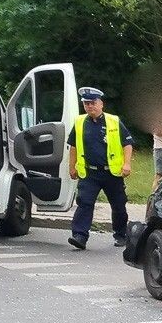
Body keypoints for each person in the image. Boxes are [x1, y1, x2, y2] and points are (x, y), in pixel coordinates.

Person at [66, 87, 134, 249]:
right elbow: (73, 146)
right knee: (85, 203)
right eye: (86, 104)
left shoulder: (114, 121)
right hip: (90, 172)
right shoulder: (80, 122)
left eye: (93, 103)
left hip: (111, 173)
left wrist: (127, 163)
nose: (90, 106)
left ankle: (121, 234)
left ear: (101, 104)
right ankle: (80, 236)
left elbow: (127, 143)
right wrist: (72, 167)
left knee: (118, 205)